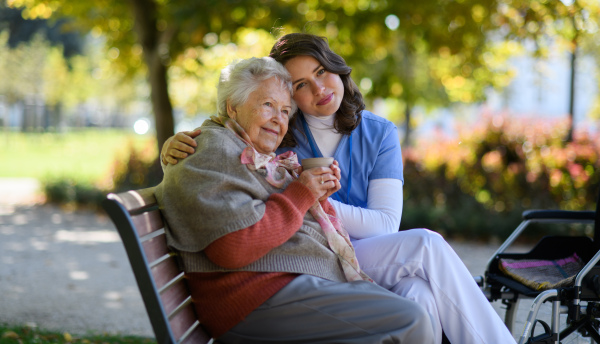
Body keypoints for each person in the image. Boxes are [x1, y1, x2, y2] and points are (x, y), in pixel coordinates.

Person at [161, 35, 516, 344]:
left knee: (418, 292)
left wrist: (312, 199)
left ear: (336, 67)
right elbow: (218, 155)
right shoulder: (280, 134)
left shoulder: (377, 132)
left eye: (320, 72)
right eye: (298, 86)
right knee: (425, 246)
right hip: (308, 261)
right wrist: (173, 151)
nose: (317, 89)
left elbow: (385, 225)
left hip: (331, 253)